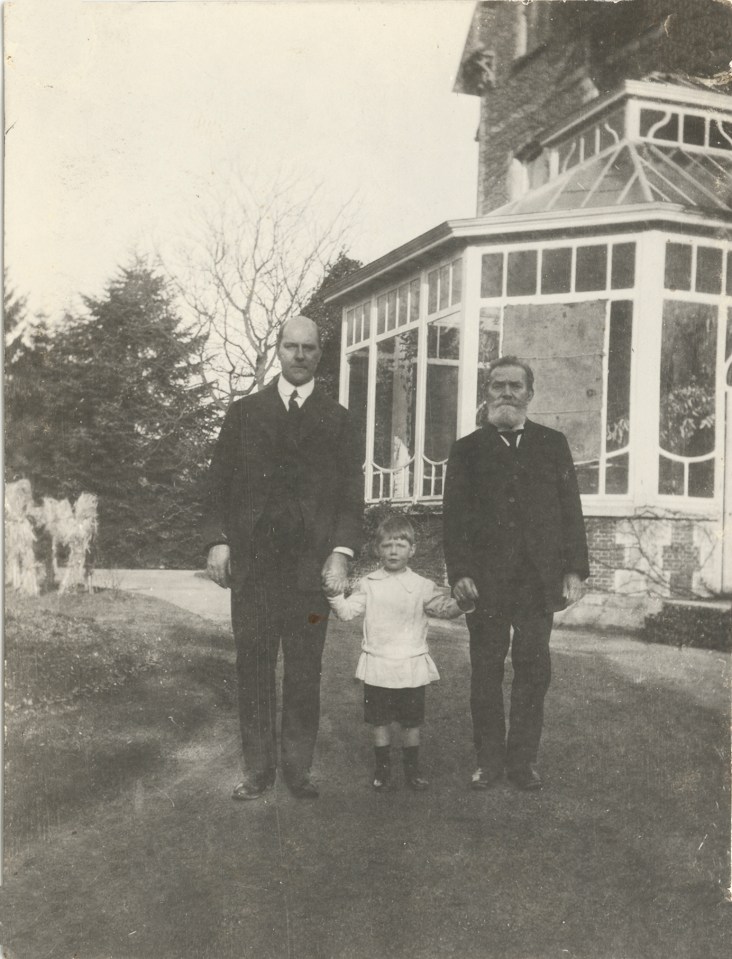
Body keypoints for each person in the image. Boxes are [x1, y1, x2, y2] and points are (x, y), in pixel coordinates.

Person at [203, 315, 364, 801]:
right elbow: (217, 484)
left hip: (309, 573)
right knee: (252, 668)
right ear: (278, 349)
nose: (299, 355)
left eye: (309, 348)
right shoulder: (244, 414)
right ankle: (257, 770)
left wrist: (340, 553)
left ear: (320, 354)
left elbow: (350, 496)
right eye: (291, 346)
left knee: (304, 669)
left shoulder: (339, 420)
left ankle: (297, 769)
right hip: (254, 568)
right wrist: (218, 540)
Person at [443, 356, 589, 792]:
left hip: (536, 582)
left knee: (533, 670)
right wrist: (460, 572)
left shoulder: (553, 444)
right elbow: (454, 518)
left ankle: (522, 762)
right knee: (486, 671)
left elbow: (570, 510)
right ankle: (488, 762)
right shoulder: (466, 450)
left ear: (530, 393)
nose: (506, 393)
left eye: (515, 386)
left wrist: (574, 570)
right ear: (486, 392)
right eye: (497, 385)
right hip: (484, 582)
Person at [326, 515, 473, 791]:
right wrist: (333, 594)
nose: (393, 551)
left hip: (410, 665)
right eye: (387, 545)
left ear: (412, 550)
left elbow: (444, 609)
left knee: (411, 723)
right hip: (378, 665)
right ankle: (382, 771)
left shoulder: (422, 586)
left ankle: (412, 771)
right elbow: (345, 613)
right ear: (377, 549)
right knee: (379, 722)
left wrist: (463, 604)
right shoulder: (368, 583)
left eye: (401, 545)